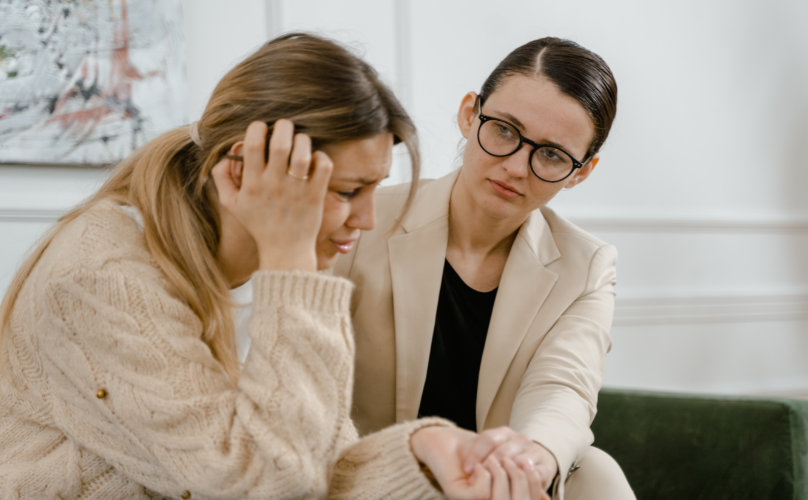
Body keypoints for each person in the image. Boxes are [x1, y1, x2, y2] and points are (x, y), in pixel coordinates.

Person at [0, 34, 548, 500]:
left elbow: (308, 458)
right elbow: (265, 482)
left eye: (372, 189)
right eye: (348, 191)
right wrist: (294, 269)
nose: (365, 218)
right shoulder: (104, 275)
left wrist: (421, 450)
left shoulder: (276, 262)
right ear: (243, 170)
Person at [334, 37, 636, 499]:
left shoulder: (587, 267)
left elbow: (563, 389)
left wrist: (528, 462)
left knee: (596, 472)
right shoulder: (362, 221)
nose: (516, 166)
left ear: (582, 171)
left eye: (552, 155)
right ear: (469, 114)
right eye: (505, 131)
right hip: (372, 478)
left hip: (496, 486)